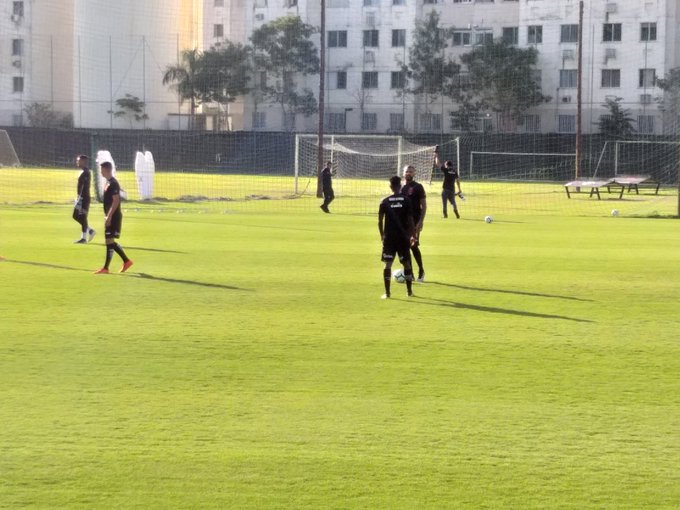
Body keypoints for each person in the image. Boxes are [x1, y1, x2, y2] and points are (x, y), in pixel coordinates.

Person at [379, 175, 416, 299]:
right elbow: (410, 220)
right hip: (403, 238)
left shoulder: (384, 202)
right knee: (406, 264)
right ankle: (409, 292)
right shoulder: (406, 200)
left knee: (387, 265)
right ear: (400, 186)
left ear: (390, 187)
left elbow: (380, 221)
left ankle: (387, 293)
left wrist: (382, 236)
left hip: (389, 238)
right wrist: (413, 236)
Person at [94, 161, 133, 274]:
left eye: (102, 170)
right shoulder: (108, 183)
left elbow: (116, 201)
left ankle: (106, 268)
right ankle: (126, 261)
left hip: (114, 217)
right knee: (109, 241)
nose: (101, 172)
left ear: (107, 170)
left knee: (109, 241)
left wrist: (109, 216)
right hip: (110, 216)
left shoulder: (113, 183)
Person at [401, 164, 427, 282]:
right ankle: (410, 273)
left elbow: (424, 206)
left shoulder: (418, 187)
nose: (408, 173)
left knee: (413, 246)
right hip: (402, 222)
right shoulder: (400, 187)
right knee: (405, 248)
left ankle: (421, 270)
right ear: (403, 173)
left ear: (414, 173)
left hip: (414, 222)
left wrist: (421, 221)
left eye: (411, 171)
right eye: (407, 171)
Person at [72, 155, 96, 243]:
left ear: (83, 162)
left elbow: (84, 187)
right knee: (75, 216)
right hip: (81, 198)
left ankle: (84, 238)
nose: (77, 162)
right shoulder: (83, 172)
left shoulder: (86, 173)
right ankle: (90, 231)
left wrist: (80, 198)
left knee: (82, 216)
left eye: (79, 161)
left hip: (84, 199)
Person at [434, 146, 462, 219]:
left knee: (444, 203)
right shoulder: (455, 172)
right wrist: (459, 189)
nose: (444, 165)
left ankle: (445, 215)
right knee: (453, 202)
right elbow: (457, 180)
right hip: (452, 190)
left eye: (445, 164)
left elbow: (437, 163)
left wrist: (436, 154)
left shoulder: (446, 170)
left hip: (445, 190)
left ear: (447, 165)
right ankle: (455, 210)